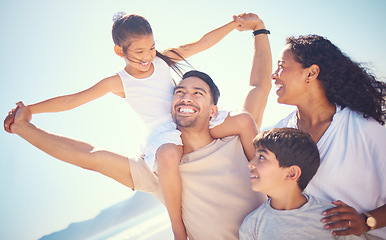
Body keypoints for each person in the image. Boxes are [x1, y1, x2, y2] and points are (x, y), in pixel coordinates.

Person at [4, 14, 272, 239]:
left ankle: (266, 176)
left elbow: (199, 43)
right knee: (168, 155)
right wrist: (30, 110)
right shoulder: (117, 82)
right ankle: (178, 230)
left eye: (152, 48)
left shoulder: (161, 60)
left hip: (190, 119)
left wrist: (233, 25)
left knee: (242, 119)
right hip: (164, 131)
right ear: (119, 51)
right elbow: (74, 99)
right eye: (139, 52)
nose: (147, 57)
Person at [272, 34, 386, 239]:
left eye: (281, 65)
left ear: (312, 72)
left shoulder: (365, 128)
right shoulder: (279, 133)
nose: (274, 75)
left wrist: (367, 221)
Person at [239, 127, 363, 239]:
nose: (250, 163)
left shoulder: (334, 219)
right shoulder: (252, 225)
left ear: (291, 173)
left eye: (261, 157)